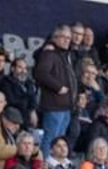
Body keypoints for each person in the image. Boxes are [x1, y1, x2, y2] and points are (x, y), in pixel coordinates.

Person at [33, 25, 77, 153]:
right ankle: (44, 167)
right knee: (50, 139)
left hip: (66, 106)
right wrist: (58, 87)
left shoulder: (64, 55)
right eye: (63, 37)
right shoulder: (49, 53)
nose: (67, 40)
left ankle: (54, 166)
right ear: (55, 38)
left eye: (69, 38)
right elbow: (40, 73)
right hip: (54, 105)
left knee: (59, 141)